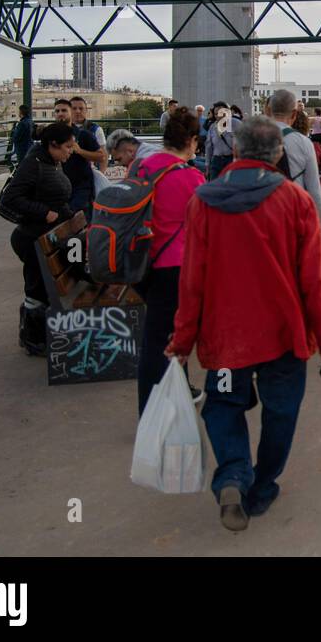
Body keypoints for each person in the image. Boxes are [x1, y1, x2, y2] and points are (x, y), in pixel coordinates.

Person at [166, 115, 321, 531]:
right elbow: (315, 282)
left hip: (226, 338)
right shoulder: (295, 202)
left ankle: (231, 474)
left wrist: (181, 342)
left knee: (224, 404)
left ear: (235, 150)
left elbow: (191, 281)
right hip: (284, 336)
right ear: (279, 154)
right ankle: (262, 486)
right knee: (281, 412)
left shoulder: (203, 201)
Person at [130, 109, 204, 415]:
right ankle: (150, 411)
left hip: (140, 264)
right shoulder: (192, 177)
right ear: (192, 141)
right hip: (175, 267)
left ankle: (180, 391)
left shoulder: (142, 167)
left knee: (163, 333)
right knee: (163, 339)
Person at [0, 121, 75, 355]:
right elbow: (10, 198)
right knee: (37, 287)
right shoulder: (34, 163)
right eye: (68, 147)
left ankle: (33, 334)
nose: (71, 151)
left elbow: (55, 196)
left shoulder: (51, 161)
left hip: (47, 236)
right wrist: (43, 212)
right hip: (31, 238)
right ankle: (33, 339)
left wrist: (70, 216)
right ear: (53, 145)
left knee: (41, 286)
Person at [266, 89, 321, 239]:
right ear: (294, 114)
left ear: (268, 110)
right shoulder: (303, 142)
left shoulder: (250, 138)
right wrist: (319, 230)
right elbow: (314, 190)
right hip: (292, 216)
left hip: (261, 219)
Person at [52, 98, 101, 214]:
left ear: (70, 113)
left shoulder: (83, 135)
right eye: (57, 111)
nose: (60, 114)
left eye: (64, 110)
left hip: (80, 187)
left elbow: (101, 156)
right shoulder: (50, 135)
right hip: (58, 187)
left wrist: (80, 151)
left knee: (78, 217)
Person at [69, 97, 107, 171]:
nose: (77, 111)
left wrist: (102, 174)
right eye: (74, 108)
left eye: (81, 108)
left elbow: (104, 155)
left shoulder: (96, 129)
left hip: (88, 172)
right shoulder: (62, 129)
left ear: (86, 111)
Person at [204, 103, 238, 180]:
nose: (218, 116)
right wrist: (207, 165)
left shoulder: (235, 124)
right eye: (216, 114)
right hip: (216, 161)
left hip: (231, 160)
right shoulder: (212, 127)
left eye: (221, 113)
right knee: (214, 186)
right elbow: (208, 147)